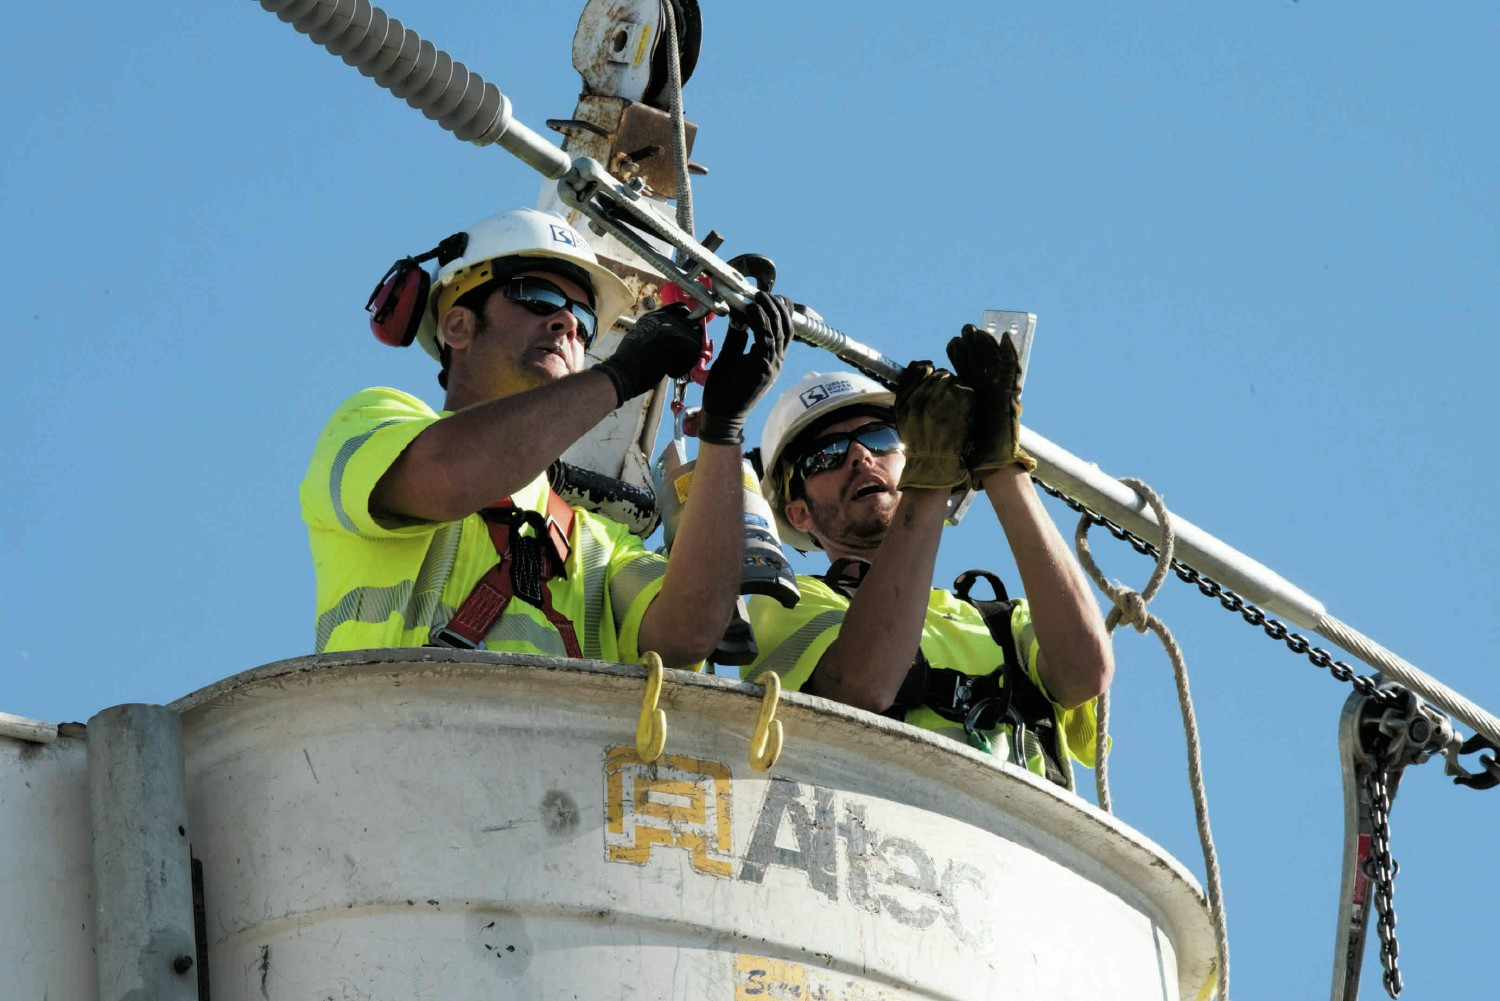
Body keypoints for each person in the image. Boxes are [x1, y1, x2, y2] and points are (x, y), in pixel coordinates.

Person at [300, 207, 792, 668]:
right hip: (390, 748)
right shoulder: (373, 421)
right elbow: (450, 475)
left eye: (586, 322)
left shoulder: (598, 545)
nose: (567, 323)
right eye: (539, 297)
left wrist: (723, 431)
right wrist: (620, 376)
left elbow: (688, 634)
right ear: (458, 325)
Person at [744, 328, 1113, 788]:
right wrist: (932, 476)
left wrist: (1000, 466)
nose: (860, 456)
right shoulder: (783, 604)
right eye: (826, 455)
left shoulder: (1001, 622)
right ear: (798, 514)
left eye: (879, 437)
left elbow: (1086, 671)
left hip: (1018, 847)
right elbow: (862, 685)